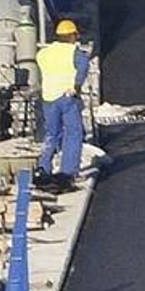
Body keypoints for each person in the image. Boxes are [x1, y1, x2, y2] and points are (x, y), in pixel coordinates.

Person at [36, 19, 90, 189]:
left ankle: (44, 168)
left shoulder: (44, 53)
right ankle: (68, 173)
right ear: (73, 36)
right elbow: (82, 67)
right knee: (74, 133)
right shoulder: (74, 52)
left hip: (48, 97)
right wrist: (76, 86)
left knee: (52, 133)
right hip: (67, 97)